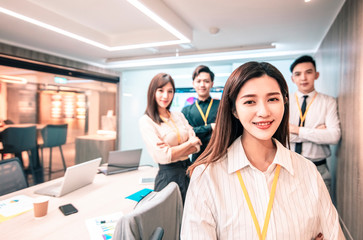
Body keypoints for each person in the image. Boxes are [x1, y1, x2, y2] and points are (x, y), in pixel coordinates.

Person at [181, 62, 344, 239]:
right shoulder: (206, 177)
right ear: (234, 109)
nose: (263, 112)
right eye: (250, 101)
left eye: (272, 99)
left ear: (284, 102)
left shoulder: (308, 171)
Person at [139, 73, 201, 203]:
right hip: (168, 176)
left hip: (188, 173)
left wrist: (174, 150)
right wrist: (189, 143)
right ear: (153, 92)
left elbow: (196, 147)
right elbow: (163, 156)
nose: (165, 96)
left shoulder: (179, 116)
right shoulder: (147, 121)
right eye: (161, 91)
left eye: (170, 91)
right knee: (169, 220)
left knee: (189, 218)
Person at [289, 55, 341, 192]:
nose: (303, 78)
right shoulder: (285, 103)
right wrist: (316, 132)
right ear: (292, 78)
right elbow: (281, 135)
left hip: (319, 168)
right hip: (290, 167)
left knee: (323, 212)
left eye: (308, 72)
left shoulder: (328, 102)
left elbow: (333, 136)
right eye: (298, 74)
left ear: (316, 75)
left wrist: (296, 130)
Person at [182, 65, 220, 162]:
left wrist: (197, 130)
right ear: (193, 84)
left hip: (220, 156)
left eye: (206, 81)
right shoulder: (186, 111)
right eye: (198, 81)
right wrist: (210, 127)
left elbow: (226, 129)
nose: (202, 85)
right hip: (197, 159)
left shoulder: (221, 105)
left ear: (212, 84)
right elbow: (186, 135)